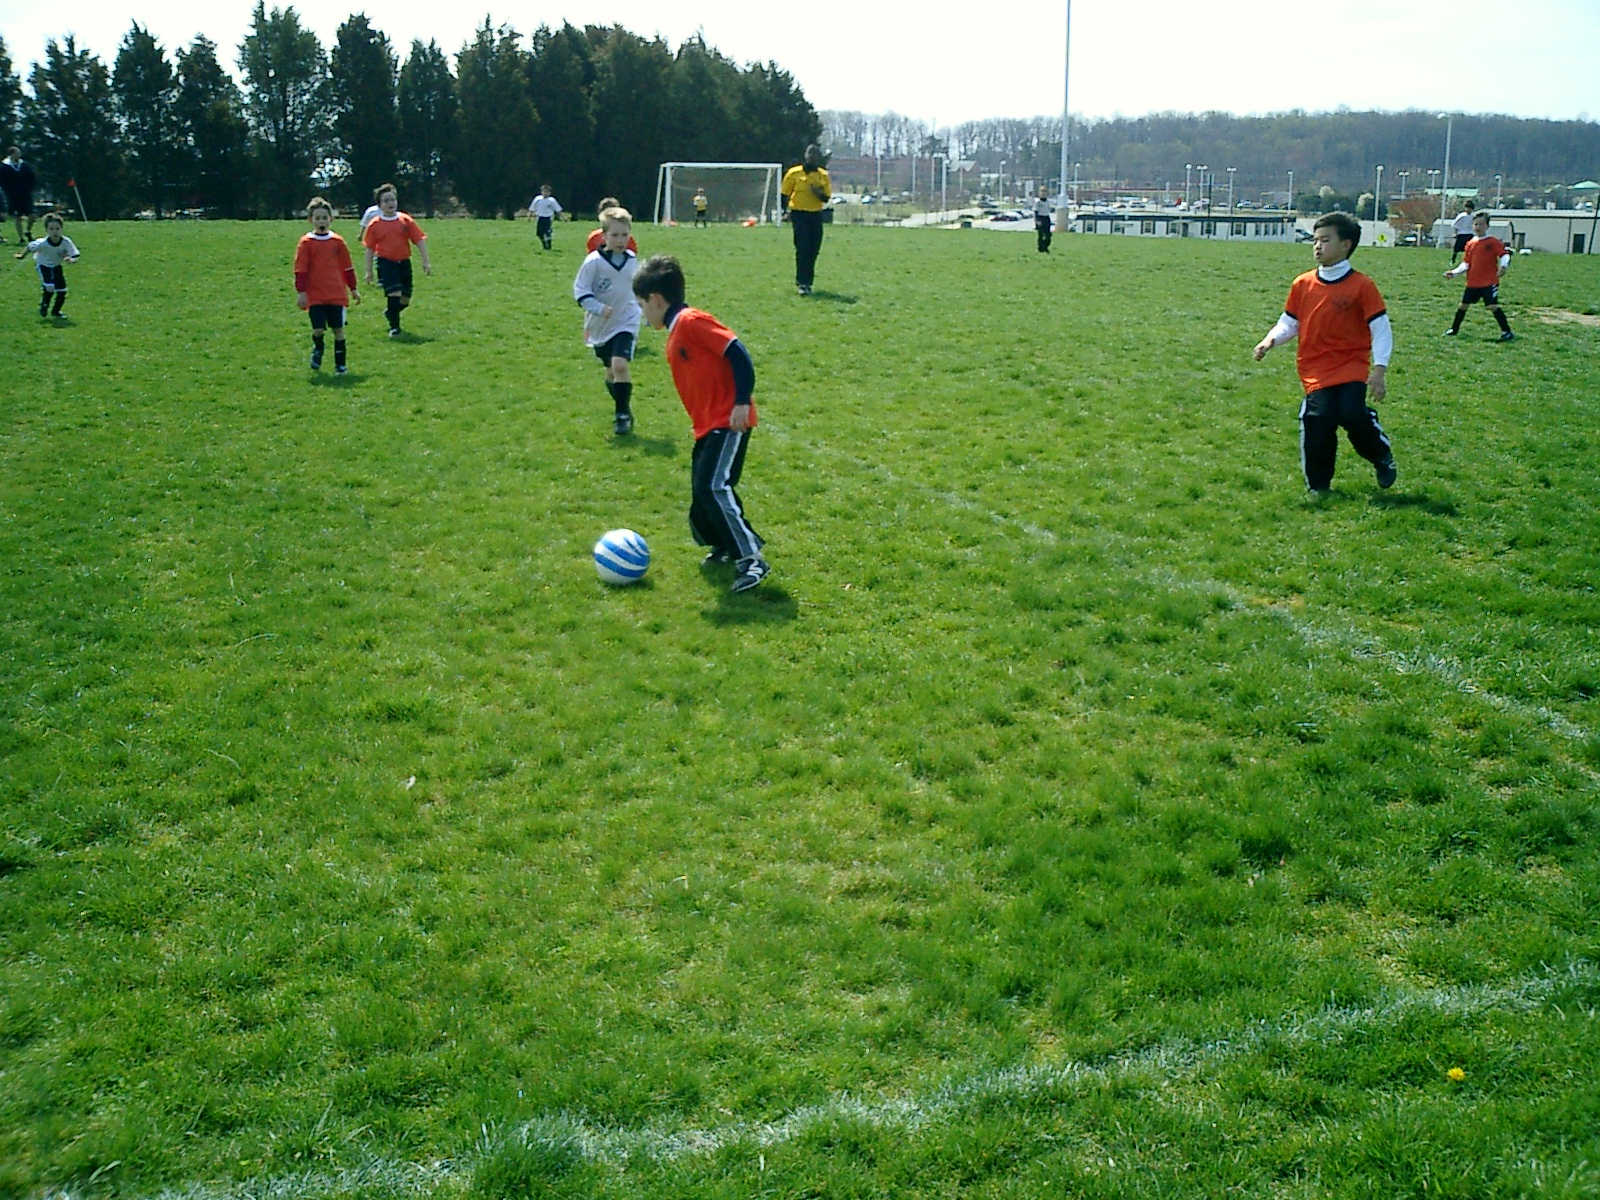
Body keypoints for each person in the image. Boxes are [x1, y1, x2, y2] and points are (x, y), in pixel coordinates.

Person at [632, 253, 770, 593]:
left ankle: (751, 558)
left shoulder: (692, 321)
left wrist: (741, 401)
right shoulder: (676, 329)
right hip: (708, 425)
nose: (642, 312)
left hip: (728, 419)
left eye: (642, 304)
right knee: (701, 490)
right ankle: (723, 544)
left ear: (656, 300)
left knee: (714, 486)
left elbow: (738, 353)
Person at [1252, 211, 1397, 496]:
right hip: (1315, 369)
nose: (1318, 246)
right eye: (1315, 240)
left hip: (1351, 366)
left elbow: (1381, 329)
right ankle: (1319, 487)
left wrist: (1379, 370)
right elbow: (1289, 322)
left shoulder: (1362, 286)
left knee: (1351, 414)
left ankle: (1381, 456)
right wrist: (1270, 341)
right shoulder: (1303, 284)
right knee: (1318, 419)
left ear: (1346, 244)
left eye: (1325, 240)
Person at [573, 206, 642, 435]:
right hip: (600, 325)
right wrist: (599, 308)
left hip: (626, 321)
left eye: (625, 235)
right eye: (615, 235)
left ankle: (621, 415)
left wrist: (646, 311)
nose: (620, 240)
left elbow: (638, 290)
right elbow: (581, 291)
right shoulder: (593, 262)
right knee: (610, 372)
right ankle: (624, 405)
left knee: (620, 365)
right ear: (603, 236)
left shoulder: (632, 260)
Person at [294, 196, 361, 375]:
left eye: (324, 218)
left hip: (336, 294)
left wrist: (353, 289)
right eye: (317, 218)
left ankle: (340, 365)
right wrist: (301, 292)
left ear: (331, 219)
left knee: (338, 330)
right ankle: (318, 349)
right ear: (311, 220)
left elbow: (347, 267)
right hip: (315, 295)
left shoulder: (337, 242)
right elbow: (300, 269)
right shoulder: (306, 243)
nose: (321, 221)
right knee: (318, 329)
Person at [361, 182, 430, 337]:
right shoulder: (375, 225)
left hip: (404, 262)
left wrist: (425, 261)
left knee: (405, 300)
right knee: (394, 294)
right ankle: (395, 328)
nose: (390, 203)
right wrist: (368, 271)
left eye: (392, 199)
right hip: (386, 263)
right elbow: (369, 249)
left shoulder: (405, 220)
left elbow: (419, 240)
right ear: (380, 205)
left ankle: (390, 313)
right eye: (386, 201)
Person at [1443, 210, 1514, 341]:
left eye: (1481, 224)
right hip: (1473, 282)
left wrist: (1504, 266)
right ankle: (1454, 329)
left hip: (1489, 282)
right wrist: (1453, 273)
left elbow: (1504, 255)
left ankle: (1507, 331)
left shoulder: (1492, 242)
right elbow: (1466, 264)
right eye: (1476, 224)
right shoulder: (1470, 243)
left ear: (1487, 226)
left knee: (1491, 306)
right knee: (1463, 305)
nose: (1478, 227)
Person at [780, 144, 831, 295]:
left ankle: (808, 281)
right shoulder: (794, 173)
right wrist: (784, 211)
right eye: (810, 154)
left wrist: (818, 193)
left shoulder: (823, 175)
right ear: (805, 155)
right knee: (802, 248)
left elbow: (826, 198)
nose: (812, 157)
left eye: (815, 154)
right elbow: (784, 194)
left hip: (815, 214)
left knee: (813, 249)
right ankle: (802, 283)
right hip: (799, 214)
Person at [20, 212, 79, 318]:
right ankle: (44, 305)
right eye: (51, 229)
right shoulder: (42, 243)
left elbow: (74, 254)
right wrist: (21, 255)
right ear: (46, 230)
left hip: (56, 266)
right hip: (43, 266)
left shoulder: (66, 241)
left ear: (61, 229)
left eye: (57, 229)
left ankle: (56, 311)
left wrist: (71, 260)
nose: (55, 231)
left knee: (62, 290)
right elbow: (30, 247)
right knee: (49, 287)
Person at [1, 147, 37, 245]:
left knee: (32, 215)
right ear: (12, 154)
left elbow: (32, 176)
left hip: (26, 194)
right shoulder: (5, 166)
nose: (19, 155)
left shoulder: (24, 165)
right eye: (17, 153)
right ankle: (21, 238)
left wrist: (31, 188)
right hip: (13, 195)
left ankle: (28, 231)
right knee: (18, 217)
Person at [529, 184, 563, 250]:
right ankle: (544, 243)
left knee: (547, 232)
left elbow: (558, 209)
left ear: (549, 193)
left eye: (547, 192)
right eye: (544, 191)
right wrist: (529, 216)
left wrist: (562, 217)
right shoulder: (537, 199)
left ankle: (549, 245)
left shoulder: (552, 200)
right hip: (540, 217)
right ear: (541, 192)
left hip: (548, 218)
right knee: (539, 233)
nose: (545, 193)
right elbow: (532, 208)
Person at [1449, 199, 1476, 265]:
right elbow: (1455, 225)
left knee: (1470, 249)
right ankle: (1452, 260)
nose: (1468, 210)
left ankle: (1468, 261)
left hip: (1470, 234)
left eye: (1470, 208)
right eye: (1467, 208)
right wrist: (1455, 233)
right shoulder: (1461, 216)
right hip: (1461, 234)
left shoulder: (1473, 217)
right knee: (1456, 248)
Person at [1032, 185, 1054, 253]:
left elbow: (1049, 210)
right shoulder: (1037, 202)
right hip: (1040, 218)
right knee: (1041, 235)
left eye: (1045, 191)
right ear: (1039, 193)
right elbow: (1035, 212)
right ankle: (1040, 248)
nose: (1043, 193)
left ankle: (1045, 247)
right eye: (1042, 191)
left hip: (1046, 218)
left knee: (1048, 235)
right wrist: (1037, 221)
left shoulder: (1048, 202)